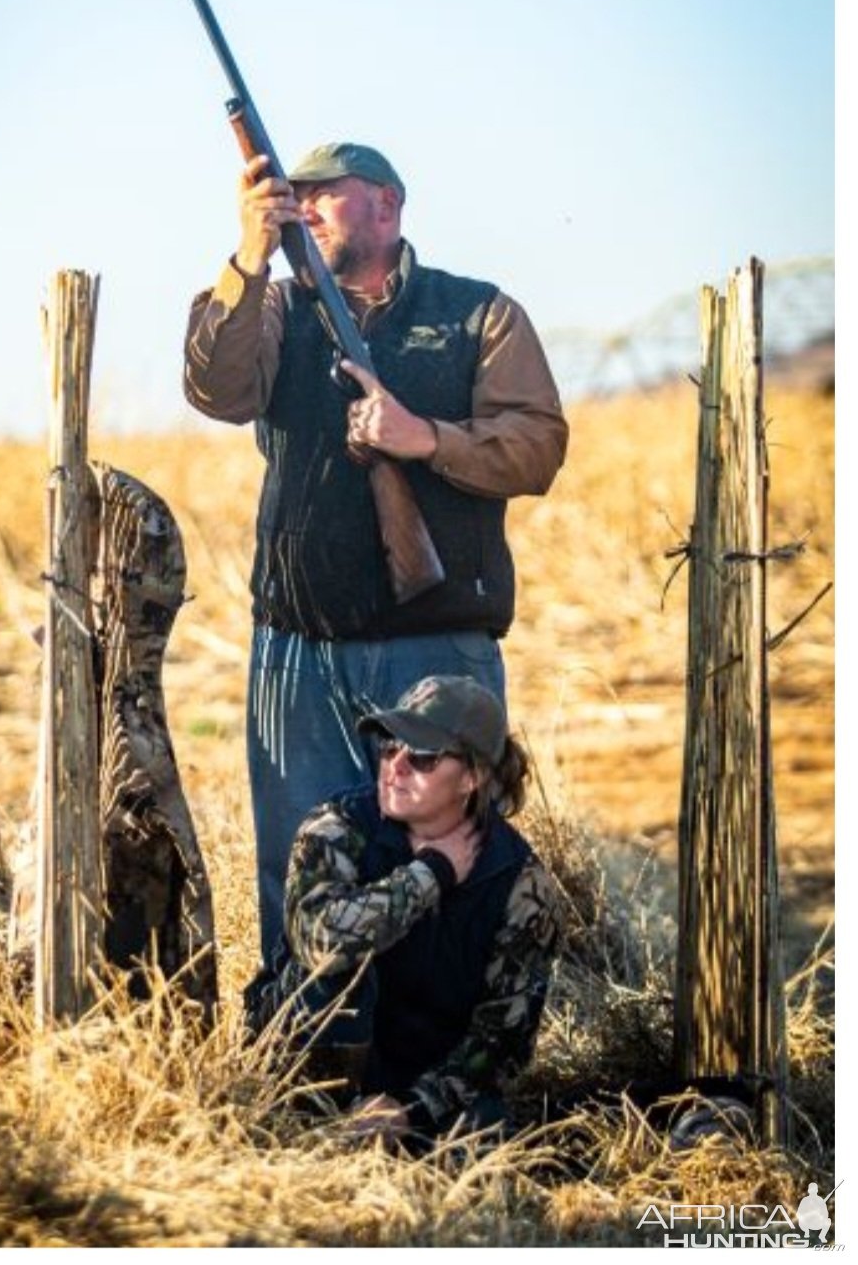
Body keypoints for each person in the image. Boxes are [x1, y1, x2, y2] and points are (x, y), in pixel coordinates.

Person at [184, 140, 567, 960]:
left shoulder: (479, 313)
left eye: (327, 192)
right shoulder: (277, 309)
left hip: (435, 652)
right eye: (297, 194)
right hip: (298, 652)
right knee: (301, 873)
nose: (305, 205)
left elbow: (537, 445)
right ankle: (305, 1064)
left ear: (388, 205)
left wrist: (422, 438)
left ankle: (438, 1070)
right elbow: (214, 387)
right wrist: (248, 258)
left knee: (450, 866)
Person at [243, 674, 559, 1146]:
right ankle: (311, 1129)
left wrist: (410, 1109)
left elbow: (501, 1040)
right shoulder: (336, 828)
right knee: (338, 970)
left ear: (472, 777)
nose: (396, 766)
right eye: (390, 747)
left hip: (422, 1087)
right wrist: (429, 875)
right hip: (306, 1071)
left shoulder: (522, 885)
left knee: (484, 1140)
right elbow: (321, 942)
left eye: (423, 756)